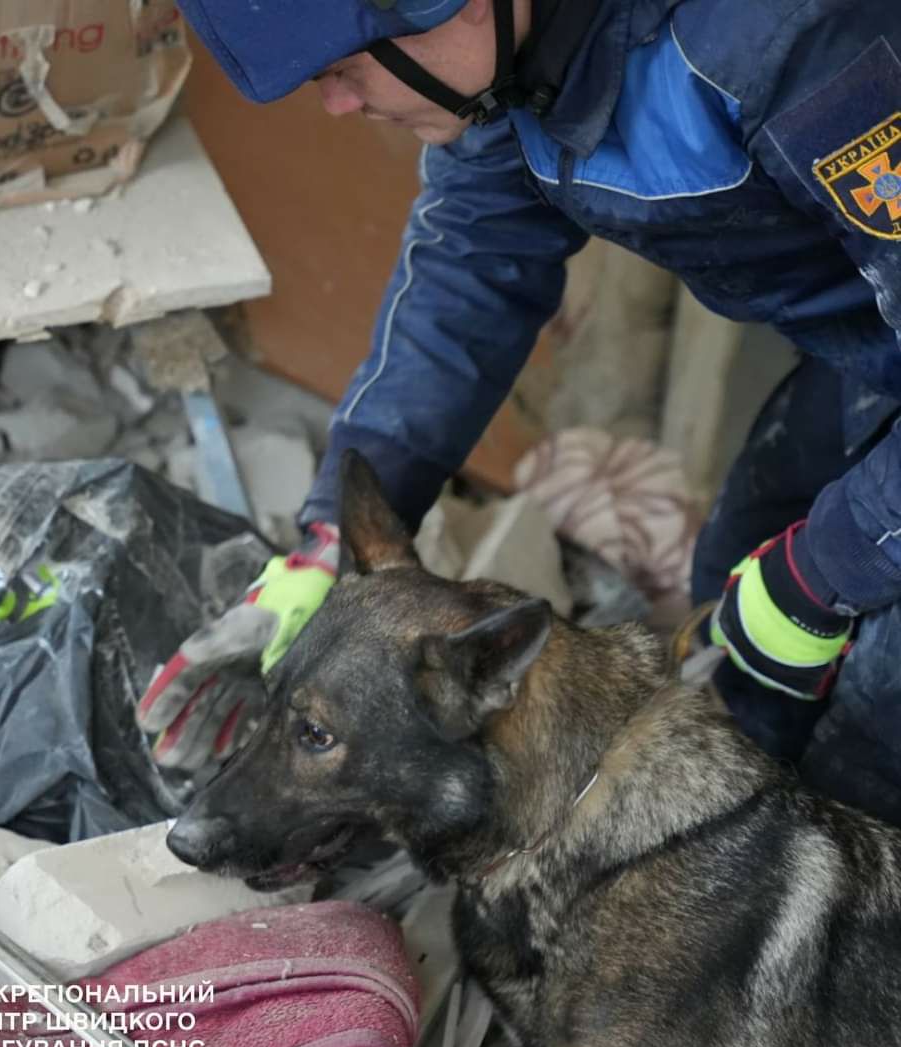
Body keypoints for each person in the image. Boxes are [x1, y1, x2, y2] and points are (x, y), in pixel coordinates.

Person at [138, 0, 901, 823]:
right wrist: (333, 537)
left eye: (343, 67)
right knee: (741, 582)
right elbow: (475, 258)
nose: (338, 102)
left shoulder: (788, 47)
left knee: (873, 712)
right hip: (868, 350)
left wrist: (826, 569)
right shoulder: (507, 66)